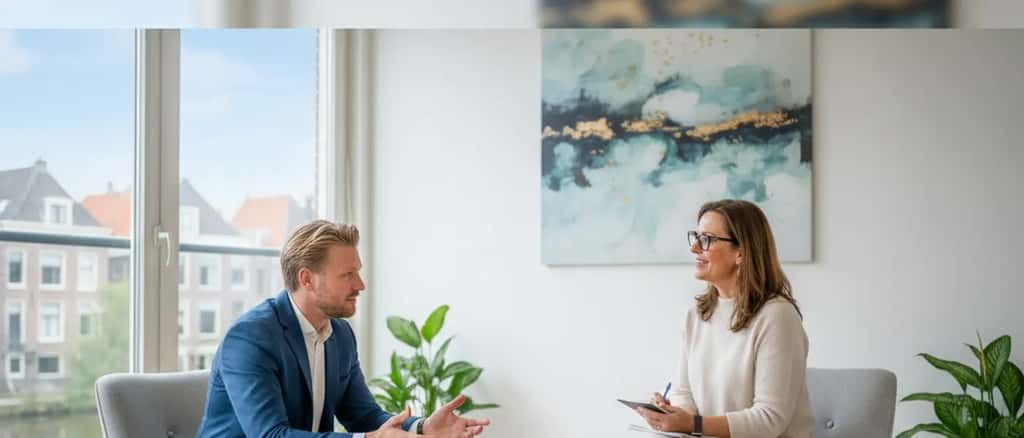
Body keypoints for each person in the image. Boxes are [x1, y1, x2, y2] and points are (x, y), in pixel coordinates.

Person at [196, 220, 491, 438]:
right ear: (307, 279)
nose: (360, 285)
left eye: (357, 272)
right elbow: (270, 435)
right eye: (348, 275)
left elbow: (363, 416)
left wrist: (423, 427)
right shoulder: (250, 338)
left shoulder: (340, 334)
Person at [636, 199, 815, 438]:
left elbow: (769, 419)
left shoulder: (777, 316)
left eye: (707, 239)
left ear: (741, 252)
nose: (694, 248)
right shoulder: (696, 315)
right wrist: (673, 414)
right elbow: (683, 392)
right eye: (696, 237)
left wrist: (693, 424)